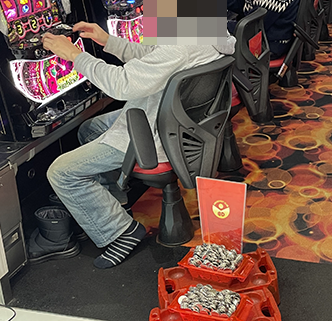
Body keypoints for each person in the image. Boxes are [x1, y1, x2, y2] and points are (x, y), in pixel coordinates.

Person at [41, 22, 235, 269]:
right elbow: (154, 58)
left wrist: (75, 55)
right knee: (89, 129)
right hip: (179, 121)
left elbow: (121, 84)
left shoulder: (181, 46)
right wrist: (108, 41)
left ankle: (122, 232)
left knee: (61, 172)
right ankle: (116, 204)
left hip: (152, 133)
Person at [227, 0, 299, 59]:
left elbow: (251, 29)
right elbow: (241, 3)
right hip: (259, 32)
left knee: (213, 46)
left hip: (268, 45)